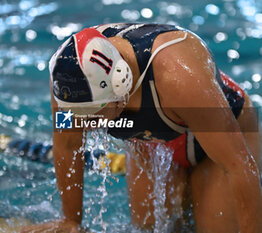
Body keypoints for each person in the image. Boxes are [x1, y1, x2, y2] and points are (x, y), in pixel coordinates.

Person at [21, 23, 262, 233]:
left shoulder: (176, 76)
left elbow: (239, 167)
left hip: (223, 137)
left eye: (95, 116)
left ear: (120, 84)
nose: (88, 125)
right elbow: (68, 142)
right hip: (152, 143)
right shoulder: (68, 84)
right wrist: (71, 220)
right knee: (147, 230)